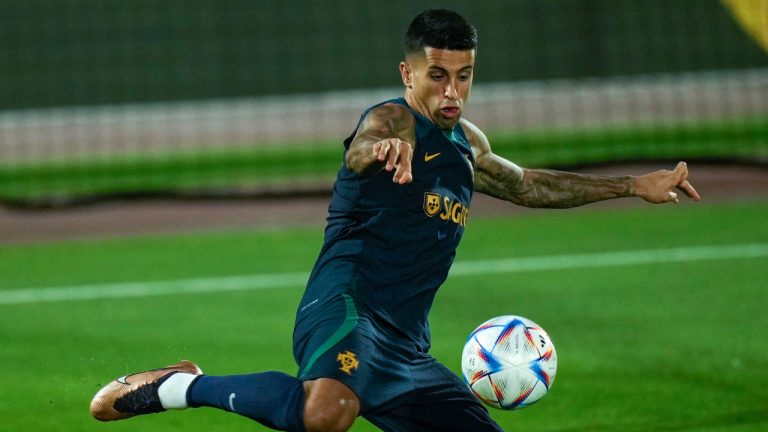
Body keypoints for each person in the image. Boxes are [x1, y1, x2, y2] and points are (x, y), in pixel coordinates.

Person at [89, 9, 700, 432]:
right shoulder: (390, 120)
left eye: (463, 75)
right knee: (326, 414)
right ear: (409, 73)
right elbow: (364, 142)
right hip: (345, 307)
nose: (452, 90)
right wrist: (382, 149)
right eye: (437, 75)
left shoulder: (467, 145)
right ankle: (182, 384)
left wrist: (629, 184)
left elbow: (526, 184)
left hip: (406, 345)